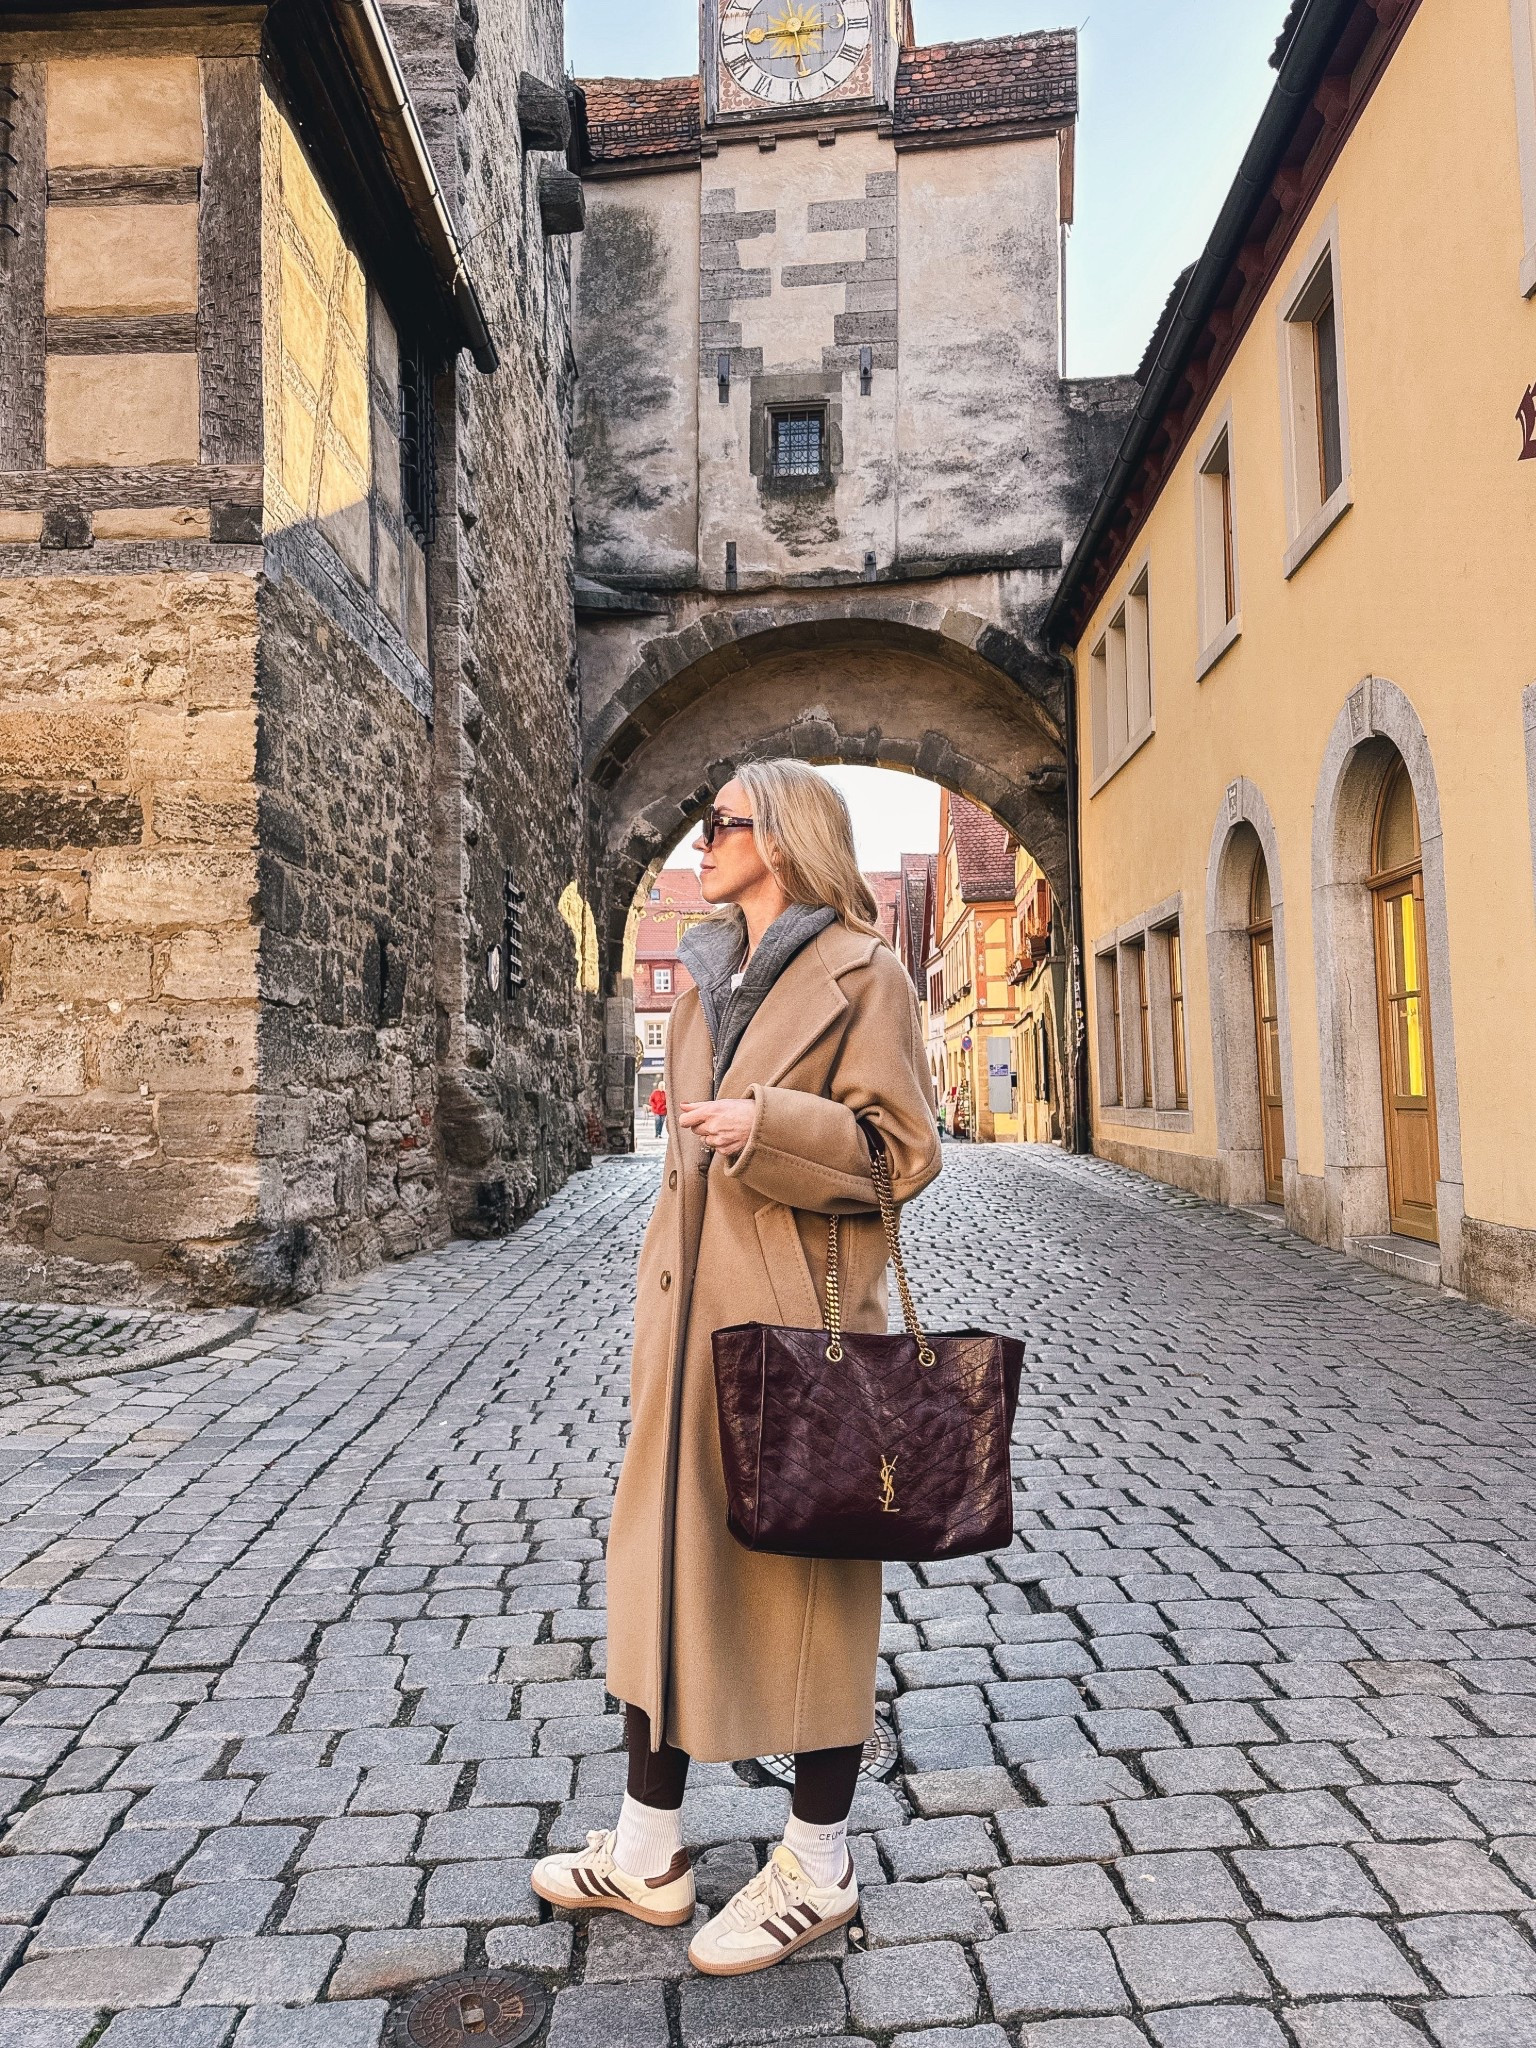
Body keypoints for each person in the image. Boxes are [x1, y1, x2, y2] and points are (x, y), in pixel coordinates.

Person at [531, 759, 941, 1973]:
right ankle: (650, 1845)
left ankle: (817, 1863)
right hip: (686, 1326)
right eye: (703, 822)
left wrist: (774, 1126)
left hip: (798, 1328)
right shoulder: (706, 977)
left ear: (789, 836)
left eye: (722, 824)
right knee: (660, 1565)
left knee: (808, 1586)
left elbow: (902, 1152)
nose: (701, 841)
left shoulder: (869, 973)